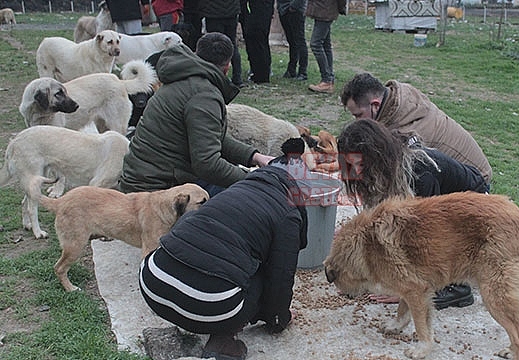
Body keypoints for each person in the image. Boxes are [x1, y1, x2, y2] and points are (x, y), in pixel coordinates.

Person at [139, 139, 311, 360]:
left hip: (153, 283)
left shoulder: (237, 188)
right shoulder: (287, 212)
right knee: (262, 273)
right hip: (208, 303)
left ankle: (193, 306)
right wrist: (278, 319)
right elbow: (280, 278)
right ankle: (223, 343)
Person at [337, 118, 488, 308]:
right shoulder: (385, 164)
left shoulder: (418, 173)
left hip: (475, 211)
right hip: (444, 203)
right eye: (351, 165)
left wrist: (407, 290)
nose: (356, 172)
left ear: (376, 158)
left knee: (417, 236)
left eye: (361, 165)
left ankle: (454, 290)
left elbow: (427, 236)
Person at [119, 32, 274, 195]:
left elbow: (212, 138)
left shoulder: (183, 76)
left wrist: (254, 157)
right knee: (252, 198)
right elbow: (207, 165)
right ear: (227, 66)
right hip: (157, 188)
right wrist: (253, 179)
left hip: (142, 176)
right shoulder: (203, 96)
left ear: (197, 53)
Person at [340, 72, 493, 186]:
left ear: (375, 105)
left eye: (358, 115)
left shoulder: (408, 132)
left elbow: (391, 177)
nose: (356, 122)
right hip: (442, 173)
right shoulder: (397, 100)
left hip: (475, 183)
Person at [305, 0, 346, 93]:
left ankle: (326, 80)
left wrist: (341, 8)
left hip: (325, 10)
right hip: (323, 9)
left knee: (316, 44)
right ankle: (329, 79)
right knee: (325, 45)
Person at [202, 0, 245, 88]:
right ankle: (237, 78)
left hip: (213, 12)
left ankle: (216, 76)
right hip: (231, 12)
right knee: (231, 44)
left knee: (213, 44)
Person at [241, 0, 273, 84]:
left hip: (259, 15)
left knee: (258, 44)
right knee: (258, 44)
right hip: (259, 12)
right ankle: (259, 73)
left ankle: (261, 76)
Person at [277, 0, 308, 81]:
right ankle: (291, 69)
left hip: (295, 9)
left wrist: (294, 6)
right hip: (283, 8)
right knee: (291, 40)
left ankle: (302, 71)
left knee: (299, 40)